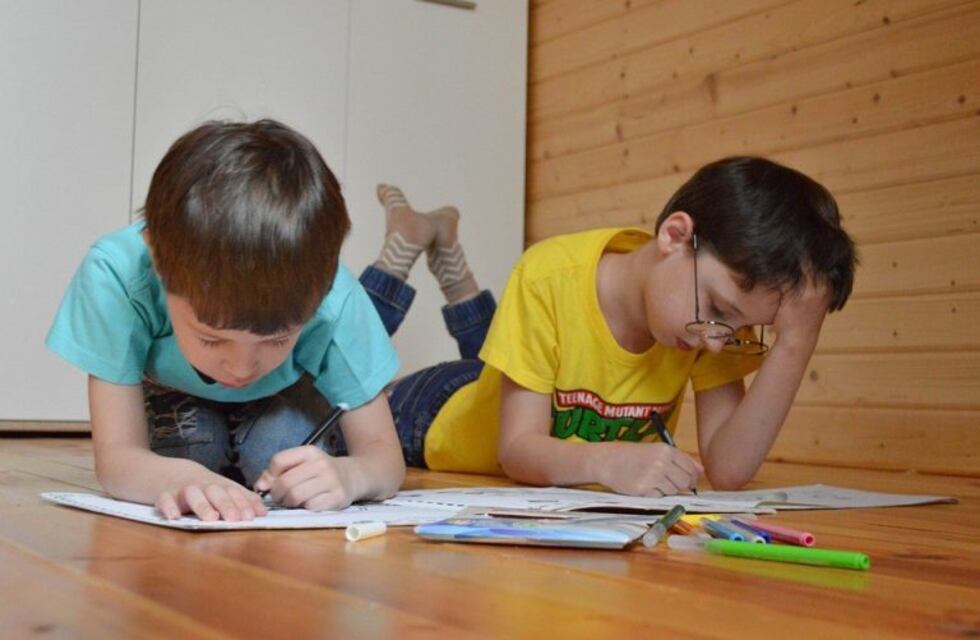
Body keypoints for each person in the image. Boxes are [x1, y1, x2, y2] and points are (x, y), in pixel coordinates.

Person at [372, 156, 856, 497]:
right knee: (345, 386)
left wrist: (797, 340)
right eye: (716, 309)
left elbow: (728, 470)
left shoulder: (717, 318)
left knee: (498, 356)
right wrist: (605, 461)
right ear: (674, 235)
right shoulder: (549, 273)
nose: (714, 342)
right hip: (433, 416)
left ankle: (449, 257)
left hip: (520, 389)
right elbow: (517, 449)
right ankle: (408, 241)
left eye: (738, 328)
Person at [46, 120, 405, 522]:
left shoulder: (335, 298)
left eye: (277, 340)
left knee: (287, 455)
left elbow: (383, 458)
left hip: (282, 399)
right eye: (212, 340)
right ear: (158, 262)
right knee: (192, 453)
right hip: (169, 395)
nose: (240, 368)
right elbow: (117, 458)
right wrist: (175, 477)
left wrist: (351, 474)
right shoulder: (118, 274)